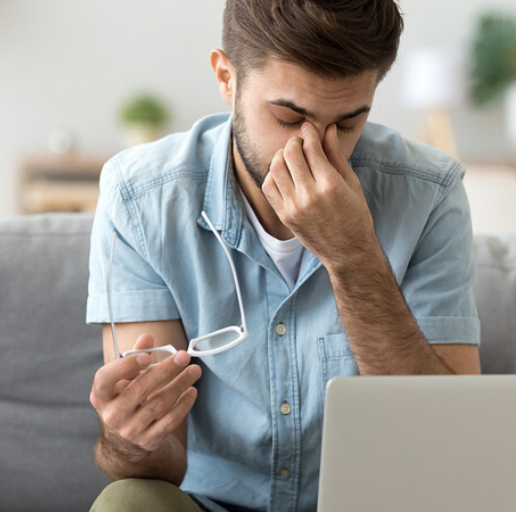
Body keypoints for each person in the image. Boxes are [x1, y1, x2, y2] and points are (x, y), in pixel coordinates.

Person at [86, 1, 481, 510]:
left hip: (368, 503)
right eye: (289, 117)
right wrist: (128, 437)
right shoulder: (141, 198)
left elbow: (447, 446)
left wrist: (353, 255)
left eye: (348, 122)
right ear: (227, 79)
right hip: (209, 504)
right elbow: (156, 468)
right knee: (128, 502)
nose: (314, 148)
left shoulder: (429, 194)